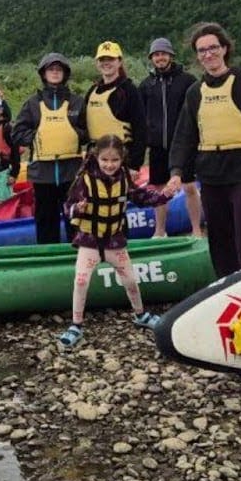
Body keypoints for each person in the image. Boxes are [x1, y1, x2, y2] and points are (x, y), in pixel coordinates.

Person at [163, 23, 241, 279]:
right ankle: (227, 288)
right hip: (212, 173)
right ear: (197, 55)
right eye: (201, 50)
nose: (208, 54)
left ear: (225, 49)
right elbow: (185, 136)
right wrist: (176, 171)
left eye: (213, 47)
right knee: (219, 240)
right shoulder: (195, 92)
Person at [56, 135, 177, 350]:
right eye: (105, 160)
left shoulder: (123, 178)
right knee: (81, 281)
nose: (109, 165)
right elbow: (68, 207)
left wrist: (163, 195)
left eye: (114, 160)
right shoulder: (84, 179)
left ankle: (140, 314)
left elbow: (140, 197)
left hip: (114, 241)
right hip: (89, 241)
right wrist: (77, 209)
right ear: (97, 157)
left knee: (130, 280)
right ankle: (76, 325)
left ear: (122, 160)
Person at [11, 52, 87, 243]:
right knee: (45, 220)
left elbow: (89, 132)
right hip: (42, 174)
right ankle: (49, 257)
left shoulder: (77, 102)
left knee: (75, 219)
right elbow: (17, 133)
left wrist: (74, 134)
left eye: (58, 69)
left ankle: (79, 256)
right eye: (51, 69)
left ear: (65, 73)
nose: (55, 72)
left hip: (71, 172)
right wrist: (37, 138)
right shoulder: (32, 103)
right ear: (44, 74)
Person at [138, 37, 202, 238]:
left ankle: (197, 230)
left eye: (164, 54)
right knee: (159, 190)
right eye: (156, 55)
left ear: (171, 56)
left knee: (189, 186)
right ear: (151, 59)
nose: (160, 58)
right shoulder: (146, 85)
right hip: (158, 146)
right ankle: (159, 231)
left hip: (184, 145)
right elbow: (140, 115)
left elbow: (197, 112)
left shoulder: (188, 81)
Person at [83, 41, 147, 171]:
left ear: (119, 62)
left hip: (121, 158)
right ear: (97, 63)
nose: (106, 63)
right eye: (102, 59)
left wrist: (135, 165)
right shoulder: (92, 91)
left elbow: (141, 129)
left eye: (111, 59)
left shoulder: (129, 90)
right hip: (95, 157)